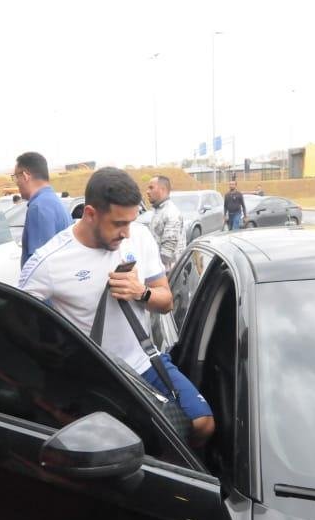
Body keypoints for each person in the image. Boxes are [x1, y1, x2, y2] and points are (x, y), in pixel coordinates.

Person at [18, 167, 215, 446]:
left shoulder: (140, 237)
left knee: (202, 424)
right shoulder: (49, 261)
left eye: (131, 222)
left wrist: (141, 292)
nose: (126, 233)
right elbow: (16, 321)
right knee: (118, 447)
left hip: (145, 364)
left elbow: (166, 302)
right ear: (90, 214)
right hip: (98, 376)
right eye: (118, 223)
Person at [13, 151, 71, 266]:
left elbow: (40, 265)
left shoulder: (39, 207)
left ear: (25, 176)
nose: (16, 183)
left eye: (16, 177)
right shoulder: (53, 201)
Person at [146, 175, 184, 271]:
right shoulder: (158, 210)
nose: (147, 192)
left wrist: (154, 270)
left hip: (168, 272)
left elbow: (167, 251)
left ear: (162, 190)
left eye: (151, 188)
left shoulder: (171, 213)